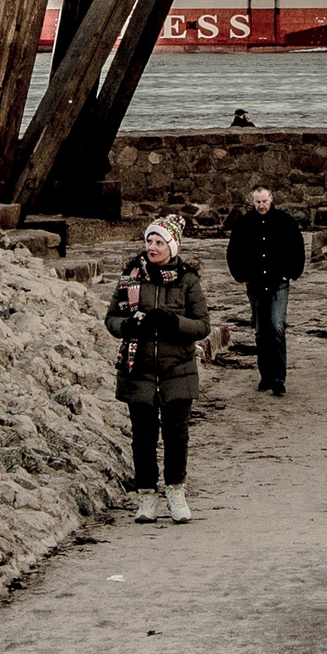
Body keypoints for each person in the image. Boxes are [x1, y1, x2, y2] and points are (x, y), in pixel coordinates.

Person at [105, 214, 210, 525]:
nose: (152, 247)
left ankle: (176, 492)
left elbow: (203, 325)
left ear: (172, 247)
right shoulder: (130, 276)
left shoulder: (188, 280)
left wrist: (174, 322)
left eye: (159, 242)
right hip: (139, 370)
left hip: (178, 368)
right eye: (149, 241)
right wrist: (128, 324)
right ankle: (147, 495)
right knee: (143, 436)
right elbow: (111, 319)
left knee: (177, 435)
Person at [226, 184, 305, 397]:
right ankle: (266, 375)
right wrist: (242, 275)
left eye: (265, 201)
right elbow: (233, 252)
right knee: (261, 331)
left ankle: (278, 378)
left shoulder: (285, 222)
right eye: (258, 202)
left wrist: (291, 272)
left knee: (277, 327)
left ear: (272, 199)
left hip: (278, 283)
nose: (261, 205)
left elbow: (298, 248)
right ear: (252, 201)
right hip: (256, 284)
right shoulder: (243, 224)